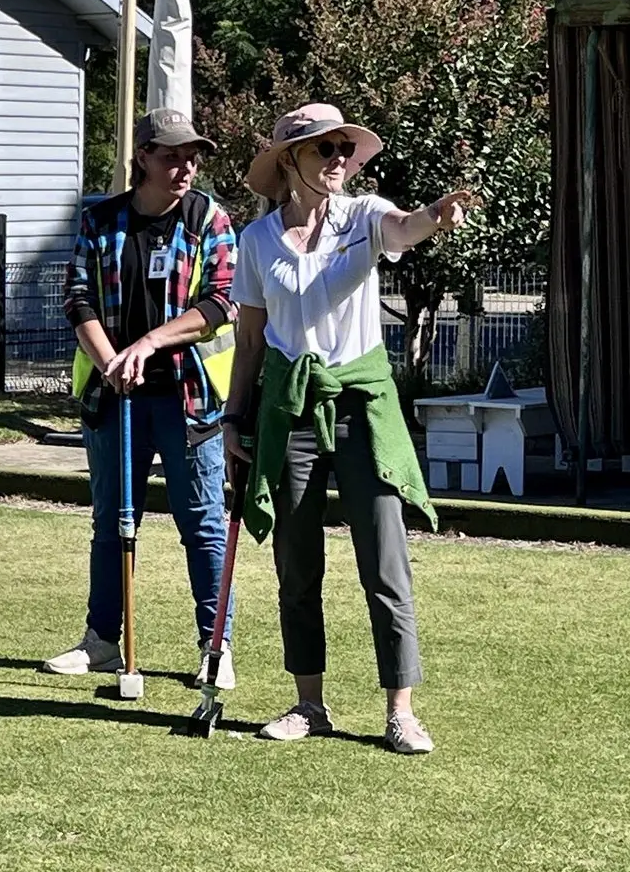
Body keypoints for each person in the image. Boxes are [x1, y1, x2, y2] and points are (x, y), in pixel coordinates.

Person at [223, 102, 472, 754]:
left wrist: (434, 217)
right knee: (296, 562)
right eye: (322, 149)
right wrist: (232, 417)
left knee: (384, 560)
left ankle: (401, 710)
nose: (338, 160)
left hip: (363, 405)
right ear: (290, 161)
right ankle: (310, 703)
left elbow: (404, 226)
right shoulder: (256, 242)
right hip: (290, 408)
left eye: (343, 150)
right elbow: (249, 340)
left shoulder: (364, 217)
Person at [48, 108, 240, 688]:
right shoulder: (100, 220)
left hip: (188, 400)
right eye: (172, 155)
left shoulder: (209, 218)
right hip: (114, 400)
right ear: (142, 159)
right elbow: (77, 297)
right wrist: (111, 361)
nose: (186, 167)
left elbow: (224, 300)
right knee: (112, 523)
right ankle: (102, 641)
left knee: (202, 524)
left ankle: (215, 648)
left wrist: (150, 344)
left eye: (192, 156)